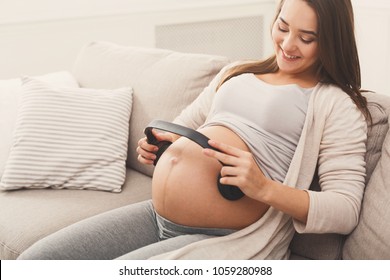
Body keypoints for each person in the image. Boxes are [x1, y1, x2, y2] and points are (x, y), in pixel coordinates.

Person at [19, 0, 370, 260]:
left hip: (222, 236)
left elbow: (344, 209)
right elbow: (184, 127)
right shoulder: (236, 73)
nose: (288, 44)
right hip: (156, 214)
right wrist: (159, 147)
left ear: (331, 41)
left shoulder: (336, 105)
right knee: (37, 260)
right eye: (282, 26)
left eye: (306, 38)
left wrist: (264, 188)